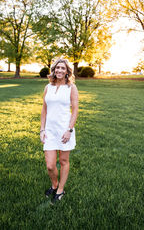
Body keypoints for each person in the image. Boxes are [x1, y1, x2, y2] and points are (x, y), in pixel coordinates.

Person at [40, 58, 79, 203]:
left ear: (67, 71)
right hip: (49, 130)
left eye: (63, 68)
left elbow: (75, 110)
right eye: (57, 68)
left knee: (63, 160)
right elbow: (44, 110)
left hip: (64, 129)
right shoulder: (48, 87)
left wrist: (69, 130)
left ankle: (60, 189)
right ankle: (54, 184)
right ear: (54, 70)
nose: (60, 71)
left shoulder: (71, 88)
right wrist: (42, 130)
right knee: (50, 165)